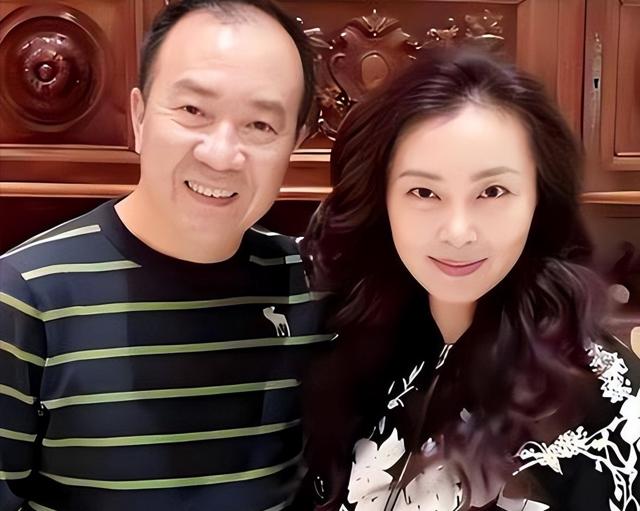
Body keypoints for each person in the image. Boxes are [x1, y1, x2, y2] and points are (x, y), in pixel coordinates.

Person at [0, 1, 331, 510]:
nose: (221, 154)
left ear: (295, 144)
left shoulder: (310, 285)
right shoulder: (24, 295)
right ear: (139, 116)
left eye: (261, 125)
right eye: (193, 111)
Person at [298, 49, 640, 510]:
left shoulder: (603, 394)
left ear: (539, 198)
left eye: (492, 191)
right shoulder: (341, 344)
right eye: (424, 192)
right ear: (383, 201)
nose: (458, 232)